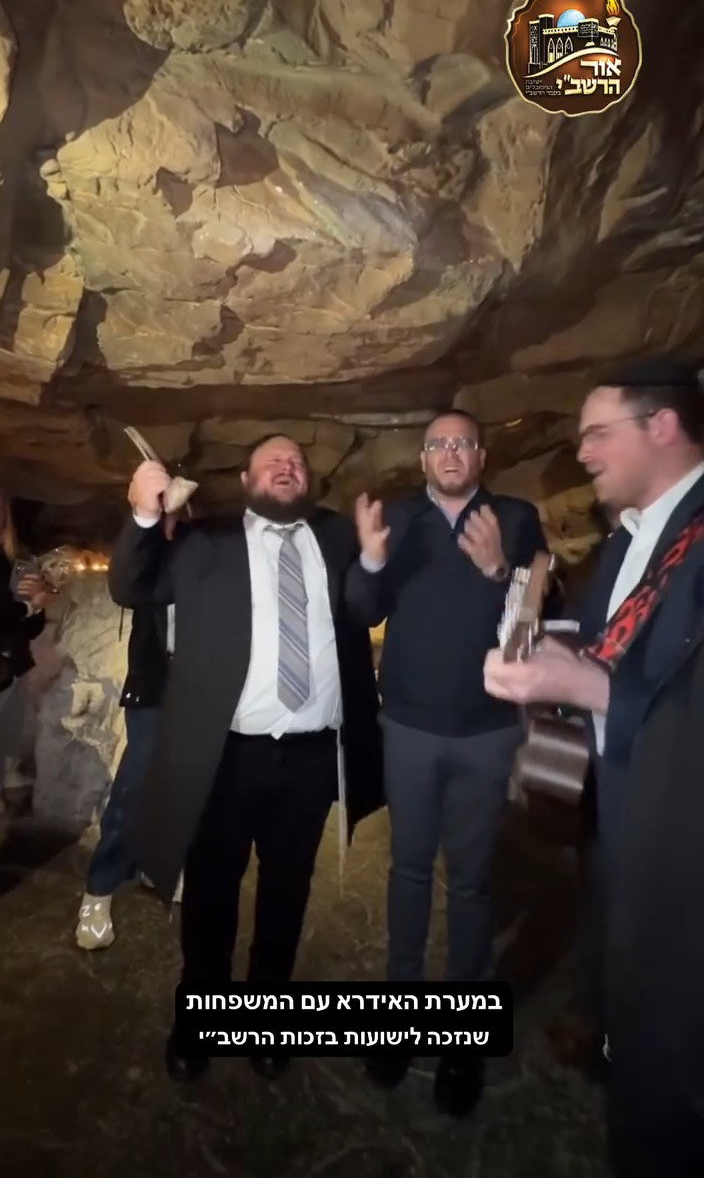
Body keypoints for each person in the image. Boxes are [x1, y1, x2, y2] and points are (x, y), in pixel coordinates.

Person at [483, 359, 704, 1176]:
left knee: (674, 1062)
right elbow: (602, 637)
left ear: (663, 426)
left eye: (596, 434)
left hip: (683, 842)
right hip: (618, 806)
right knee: (623, 965)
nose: (580, 454)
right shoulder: (629, 539)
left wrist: (589, 690)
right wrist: (544, 649)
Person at [108, 434, 383, 1082]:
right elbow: (131, 584)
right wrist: (143, 514)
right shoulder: (207, 540)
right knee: (211, 895)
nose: (288, 467)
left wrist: (374, 561)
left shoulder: (337, 536)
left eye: (298, 462)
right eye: (273, 461)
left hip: (311, 757)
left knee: (288, 894)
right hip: (227, 757)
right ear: (245, 478)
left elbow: (367, 609)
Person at [345, 409, 552, 1116]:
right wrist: (372, 560)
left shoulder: (516, 519)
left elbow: (531, 629)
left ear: (482, 455)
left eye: (463, 442)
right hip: (408, 727)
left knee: (470, 882)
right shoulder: (399, 519)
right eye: (439, 444)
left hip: (485, 733)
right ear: (424, 458)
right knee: (407, 871)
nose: (452, 453)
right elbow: (361, 611)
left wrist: (499, 572)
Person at [75, 602, 175, 949]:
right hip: (156, 679)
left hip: (211, 681)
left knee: (184, 783)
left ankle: (157, 863)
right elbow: (127, 585)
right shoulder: (157, 566)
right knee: (136, 783)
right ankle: (100, 888)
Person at [0, 484, 50, 917]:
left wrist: (36, 602)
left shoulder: (3, 562)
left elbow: (24, 630)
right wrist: (23, 609)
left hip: (0, 682)